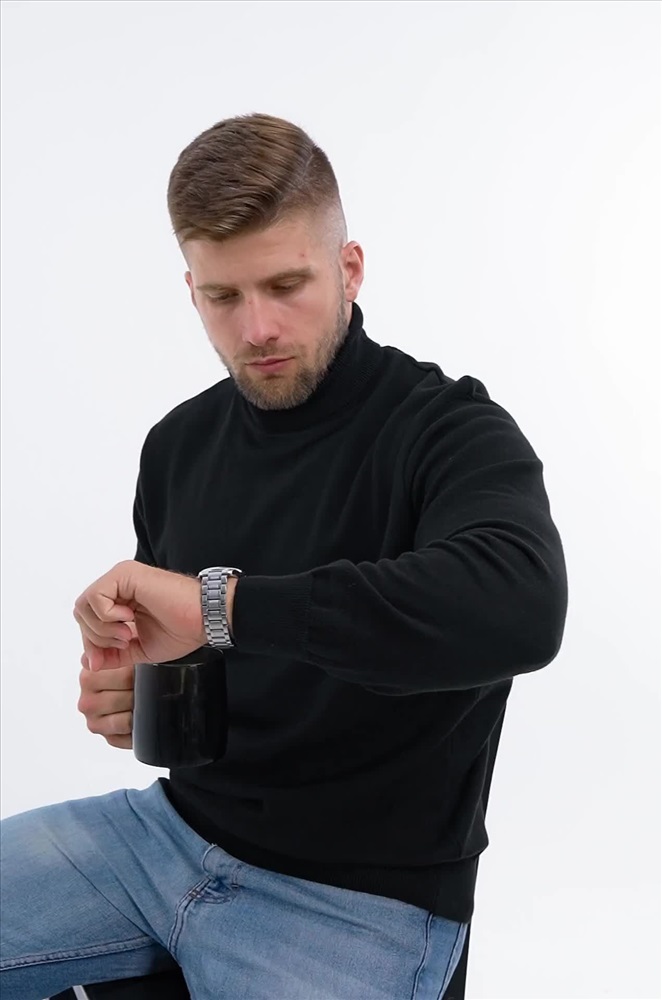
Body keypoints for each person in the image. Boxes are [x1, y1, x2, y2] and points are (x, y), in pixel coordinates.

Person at [0, 112, 568, 1000]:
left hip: (359, 902)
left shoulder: (450, 433)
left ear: (350, 269)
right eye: (223, 296)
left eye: (286, 284)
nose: (257, 327)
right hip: (165, 837)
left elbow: (520, 608)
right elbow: (208, 677)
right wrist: (140, 697)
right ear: (191, 290)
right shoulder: (178, 445)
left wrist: (218, 606)